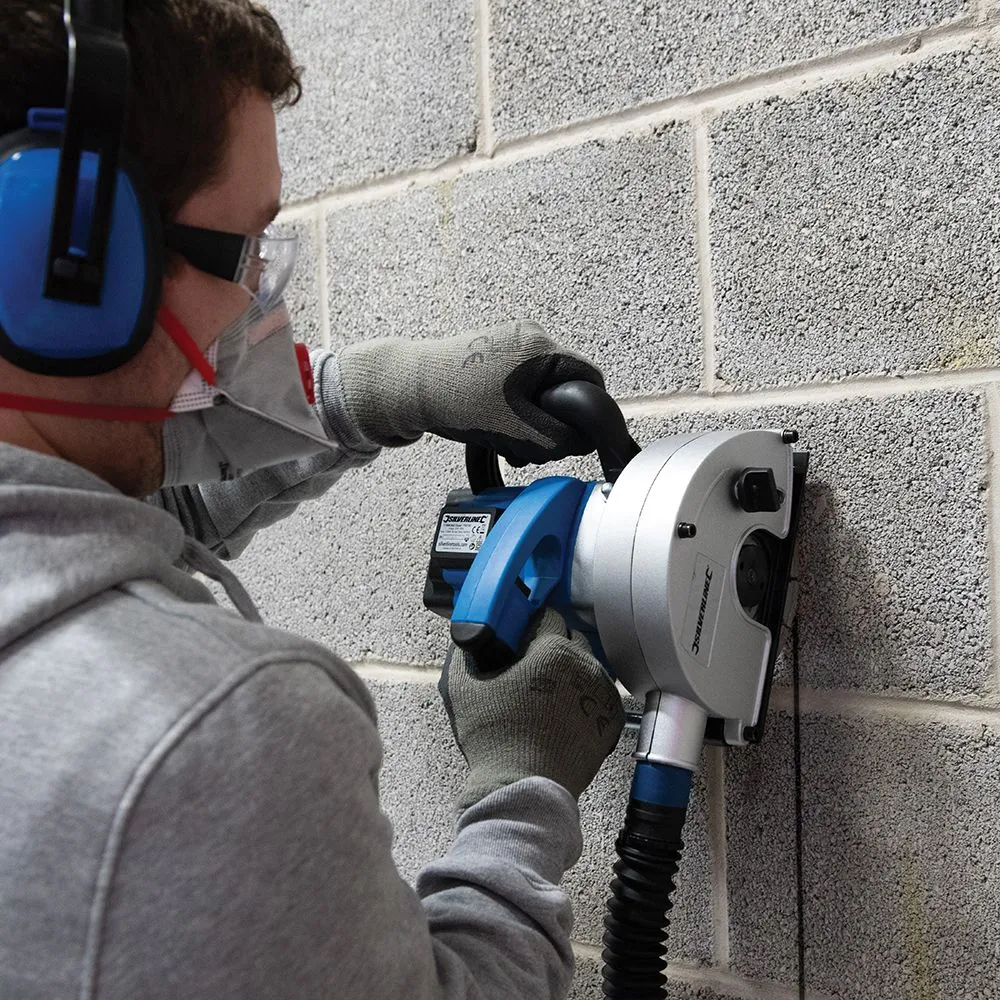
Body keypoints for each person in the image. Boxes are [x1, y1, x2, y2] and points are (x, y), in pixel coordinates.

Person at [0, 2, 625, 999]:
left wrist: (377, 394)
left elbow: (129, 523)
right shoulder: (217, 733)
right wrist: (522, 787)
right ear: (66, 268)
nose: (263, 298)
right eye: (243, 248)